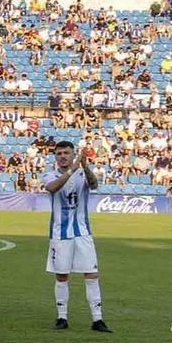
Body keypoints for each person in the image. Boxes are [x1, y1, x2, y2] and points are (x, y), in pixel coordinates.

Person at [45, 141, 110, 332]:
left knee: (91, 274)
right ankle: (62, 317)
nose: (63, 156)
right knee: (62, 275)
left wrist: (85, 167)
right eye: (59, 153)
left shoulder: (82, 173)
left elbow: (94, 184)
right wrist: (73, 169)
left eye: (66, 153)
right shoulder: (50, 174)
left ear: (73, 154)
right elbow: (52, 188)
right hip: (60, 233)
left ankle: (97, 319)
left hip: (82, 232)